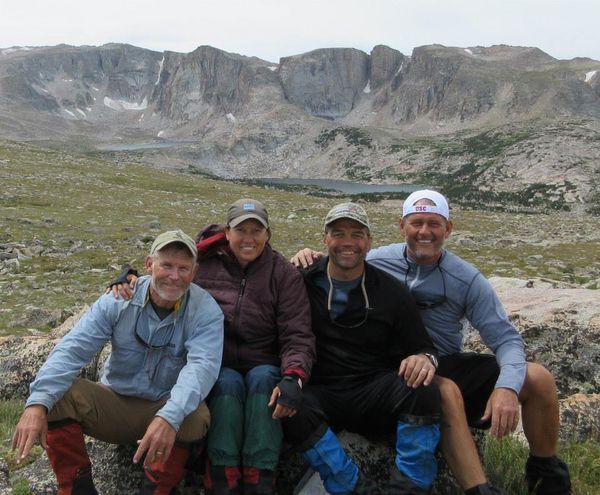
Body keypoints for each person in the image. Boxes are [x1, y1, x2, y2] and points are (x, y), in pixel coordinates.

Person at [292, 191, 571, 495]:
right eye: (417, 223)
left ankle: (547, 478)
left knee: (538, 379)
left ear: (448, 228)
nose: (424, 232)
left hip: (440, 359)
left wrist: (507, 386)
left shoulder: (466, 279)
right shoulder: (377, 260)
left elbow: (506, 338)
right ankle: (478, 488)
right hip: (387, 371)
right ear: (402, 226)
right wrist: (308, 258)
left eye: (434, 224)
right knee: (445, 391)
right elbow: (344, 258)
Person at [110, 199, 315, 495]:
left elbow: (297, 332)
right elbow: (170, 274)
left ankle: (260, 476)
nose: (248, 238)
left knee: (263, 380)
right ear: (227, 231)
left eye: (256, 230)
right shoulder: (203, 262)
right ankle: (223, 476)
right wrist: (131, 279)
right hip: (212, 360)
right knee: (227, 382)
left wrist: (294, 375)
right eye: (240, 230)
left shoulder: (282, 273)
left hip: (264, 363)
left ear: (268, 234)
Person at [12, 230, 224, 495]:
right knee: (58, 396)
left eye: (183, 268)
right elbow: (74, 348)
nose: (174, 275)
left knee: (195, 416)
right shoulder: (118, 298)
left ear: (194, 272)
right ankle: (77, 489)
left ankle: (155, 489)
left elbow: (202, 367)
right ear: (150, 264)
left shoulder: (206, 310)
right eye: (166, 265)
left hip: (165, 405)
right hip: (114, 404)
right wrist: (37, 403)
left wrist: (169, 417)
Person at [282, 202, 442, 495]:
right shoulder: (300, 281)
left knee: (424, 387)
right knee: (289, 403)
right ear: (325, 239)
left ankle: (411, 488)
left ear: (369, 242)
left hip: (373, 389)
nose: (348, 242)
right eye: (339, 233)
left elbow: (423, 347)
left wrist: (424, 359)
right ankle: (351, 486)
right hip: (321, 390)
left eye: (357, 234)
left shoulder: (392, 291)